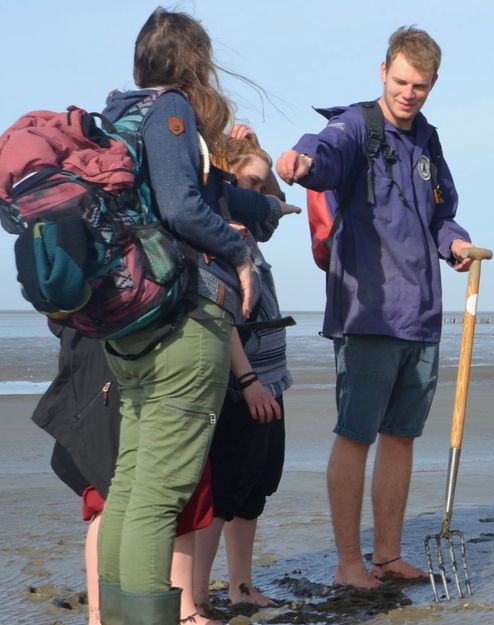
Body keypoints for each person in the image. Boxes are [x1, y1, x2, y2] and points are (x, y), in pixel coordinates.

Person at [96, 8, 296, 623]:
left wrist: (264, 209)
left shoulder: (121, 114)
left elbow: (203, 194)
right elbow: (185, 207)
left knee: (132, 482)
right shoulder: (173, 112)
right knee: (160, 494)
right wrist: (236, 251)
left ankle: (123, 614)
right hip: (183, 318)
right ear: (195, 64)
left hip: (129, 318)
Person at [276, 25, 474, 589]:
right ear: (383, 69)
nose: (410, 93)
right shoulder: (355, 126)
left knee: (402, 435)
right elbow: (324, 150)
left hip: (422, 313)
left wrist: (454, 243)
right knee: (356, 433)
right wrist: (300, 162)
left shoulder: (428, 142)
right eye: (403, 81)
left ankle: (387, 555)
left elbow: (440, 214)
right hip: (368, 311)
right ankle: (348, 564)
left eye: (423, 86)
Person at [31, 329, 220, 625]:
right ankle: (162, 614)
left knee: (127, 493)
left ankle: (133, 612)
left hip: (111, 349)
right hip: (128, 354)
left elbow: (57, 314)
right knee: (122, 494)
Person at [193, 129, 294, 610]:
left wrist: (265, 168)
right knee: (224, 491)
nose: (256, 195)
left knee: (256, 488)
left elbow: (280, 206)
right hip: (241, 383)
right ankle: (194, 596)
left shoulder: (249, 226)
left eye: (260, 185)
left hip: (269, 379)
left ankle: (241, 588)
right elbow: (220, 315)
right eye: (247, 185)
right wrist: (248, 381)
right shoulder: (215, 231)